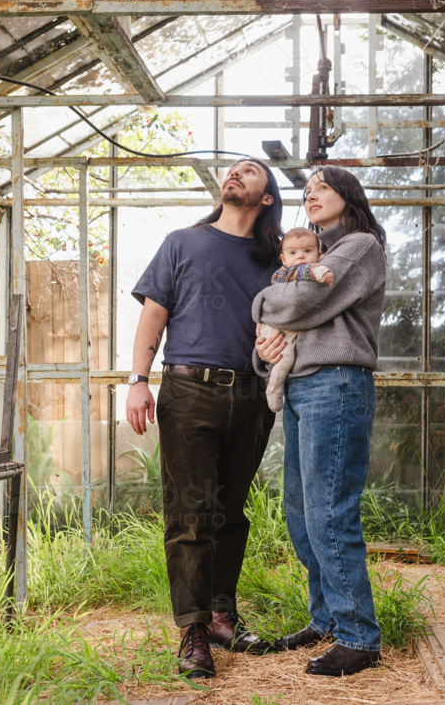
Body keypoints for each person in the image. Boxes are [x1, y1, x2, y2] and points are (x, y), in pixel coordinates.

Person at [128, 158, 284, 679]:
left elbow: (301, 310)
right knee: (190, 514)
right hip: (189, 389)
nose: (235, 173)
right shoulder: (183, 241)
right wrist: (137, 381)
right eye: (232, 169)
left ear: (267, 197)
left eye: (251, 171)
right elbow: (154, 312)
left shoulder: (278, 257)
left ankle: (222, 616)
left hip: (254, 395)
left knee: (231, 513)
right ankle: (192, 631)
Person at [252, 166, 387, 677]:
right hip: (301, 387)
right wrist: (266, 347)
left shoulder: (359, 247)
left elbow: (304, 301)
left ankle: (359, 637)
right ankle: (327, 617)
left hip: (337, 383)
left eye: (322, 188)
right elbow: (286, 327)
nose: (310, 195)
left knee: (330, 512)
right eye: (306, 191)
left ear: (347, 196)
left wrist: (261, 306)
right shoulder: (314, 254)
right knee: (300, 513)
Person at [256, 227, 334, 412]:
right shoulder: (285, 273)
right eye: (293, 252)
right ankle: (274, 390)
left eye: (307, 251)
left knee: (286, 356)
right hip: (276, 328)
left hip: (287, 326)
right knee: (285, 358)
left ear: (319, 254)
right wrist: (321, 271)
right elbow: (304, 272)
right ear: (283, 259)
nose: (300, 257)